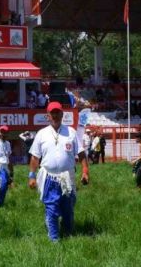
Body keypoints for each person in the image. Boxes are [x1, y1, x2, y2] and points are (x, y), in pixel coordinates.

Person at [28, 102, 89, 242]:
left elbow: (81, 154)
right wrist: (31, 176)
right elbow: (35, 157)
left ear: (62, 114)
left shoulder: (71, 133)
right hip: (48, 177)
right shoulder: (41, 134)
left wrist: (85, 171)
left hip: (68, 177)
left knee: (68, 209)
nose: (55, 115)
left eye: (57, 112)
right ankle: (54, 240)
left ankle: (68, 235)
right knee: (52, 209)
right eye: (52, 113)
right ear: (47, 116)